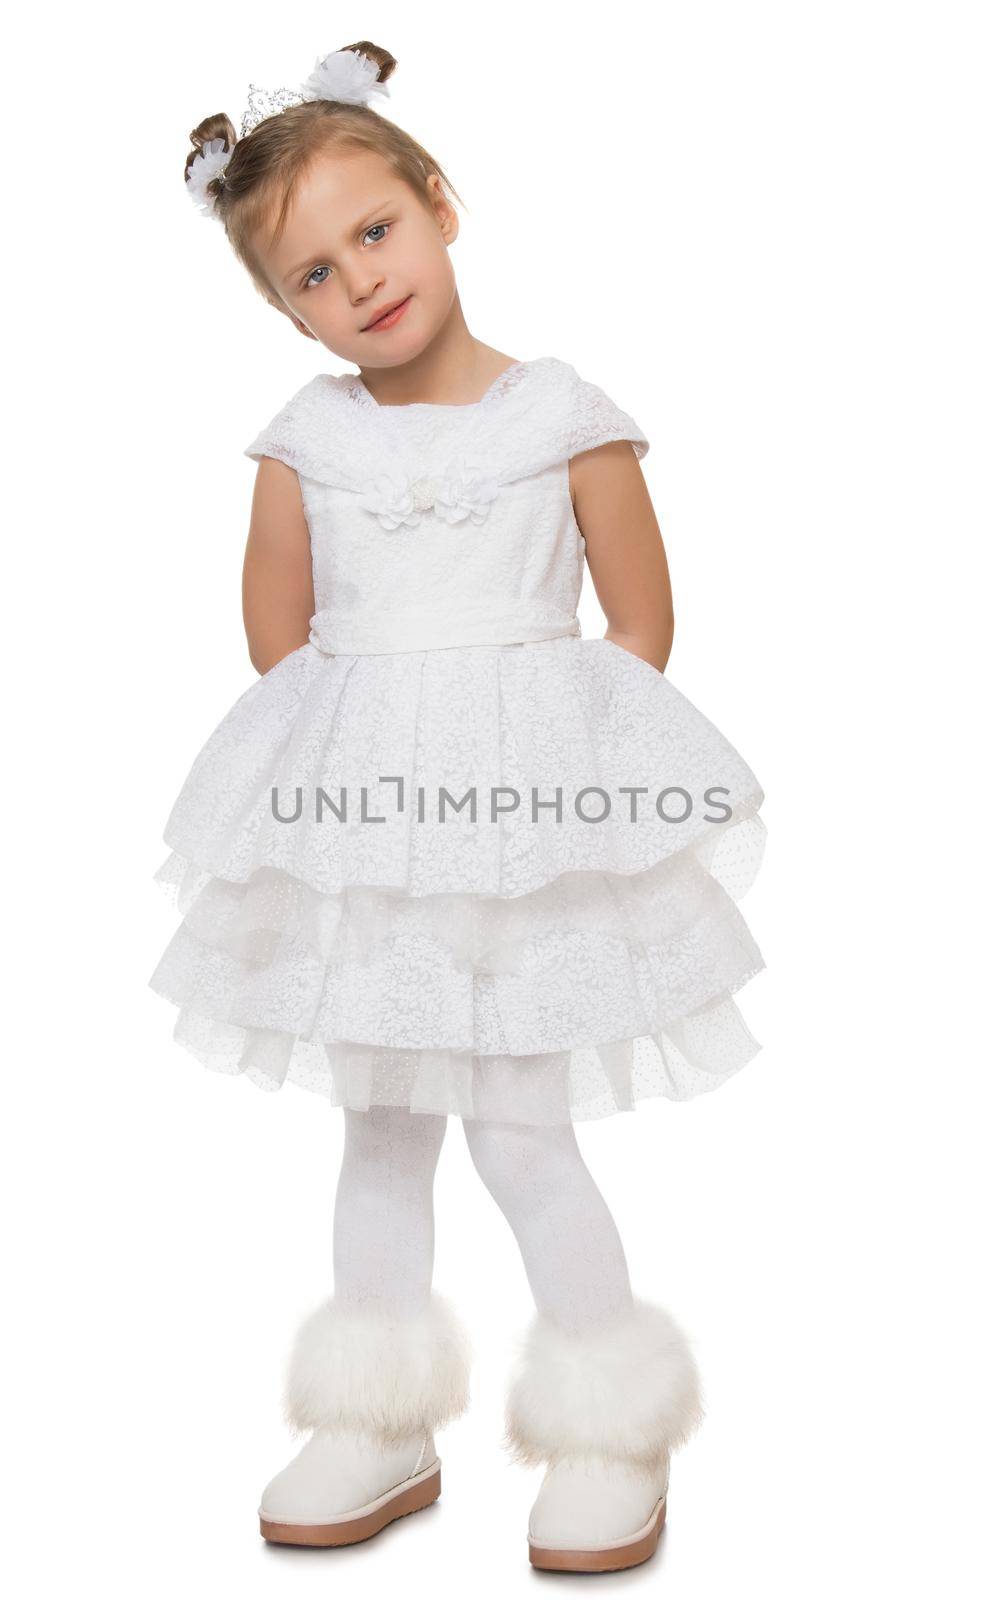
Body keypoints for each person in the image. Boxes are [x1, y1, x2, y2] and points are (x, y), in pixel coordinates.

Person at [150, 41, 767, 1573]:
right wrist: (355, 813)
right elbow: (279, 649)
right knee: (377, 1128)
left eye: (376, 230)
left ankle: (610, 1417)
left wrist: (553, 807)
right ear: (282, 308)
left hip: (518, 834)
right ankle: (378, 1413)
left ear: (439, 204)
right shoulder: (305, 443)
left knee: (522, 1134)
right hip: (375, 836)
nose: (357, 282)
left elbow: (639, 632)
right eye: (309, 272)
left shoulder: (564, 416)